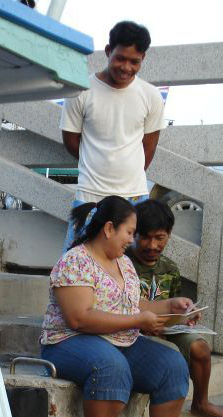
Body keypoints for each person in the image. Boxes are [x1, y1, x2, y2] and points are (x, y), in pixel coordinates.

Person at [40, 196, 195, 417]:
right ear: (109, 229)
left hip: (119, 340)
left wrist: (174, 308)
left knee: (172, 363)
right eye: (130, 232)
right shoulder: (76, 261)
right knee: (111, 366)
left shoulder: (124, 263)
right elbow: (79, 318)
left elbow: (135, 306)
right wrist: (138, 320)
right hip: (68, 342)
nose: (131, 240)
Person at [127, 199, 223, 417]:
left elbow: (173, 307)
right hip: (132, 329)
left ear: (169, 235)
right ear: (133, 234)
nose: (152, 245)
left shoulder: (169, 268)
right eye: (145, 237)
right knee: (170, 361)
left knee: (200, 347)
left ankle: (202, 402)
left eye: (159, 238)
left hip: (163, 330)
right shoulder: (123, 263)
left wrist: (185, 317)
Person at [60, 21, 164, 250]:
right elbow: (70, 140)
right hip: (89, 196)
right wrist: (96, 161)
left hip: (135, 197)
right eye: (120, 58)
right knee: (76, 263)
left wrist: (129, 171)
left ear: (143, 59)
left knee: (128, 271)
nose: (126, 67)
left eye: (134, 61)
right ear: (108, 52)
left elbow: (150, 146)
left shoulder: (151, 96)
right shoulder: (81, 91)